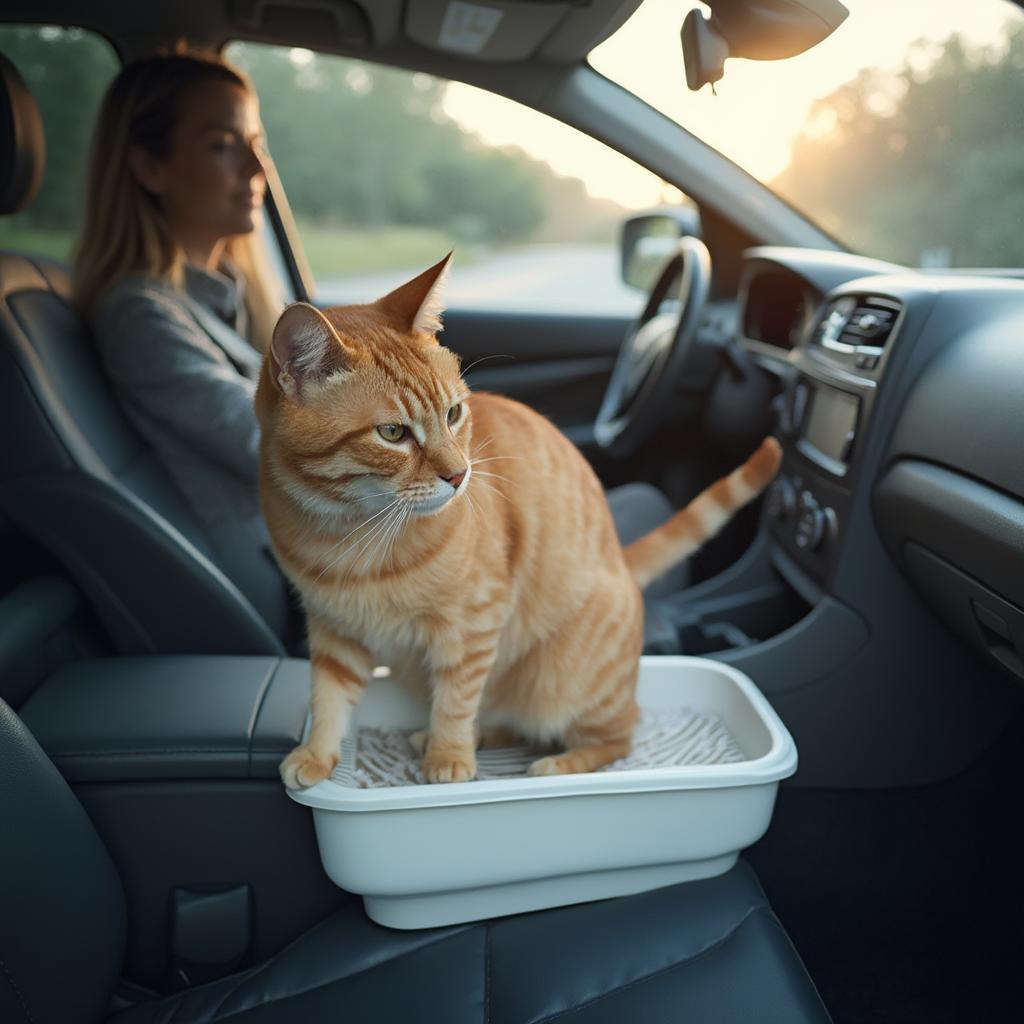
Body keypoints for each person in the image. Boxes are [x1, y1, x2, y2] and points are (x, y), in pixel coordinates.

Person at [72, 49, 293, 639]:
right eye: (222, 145)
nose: (256, 167)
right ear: (150, 167)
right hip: (285, 593)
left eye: (256, 142)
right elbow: (268, 442)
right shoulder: (139, 315)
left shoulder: (226, 301)